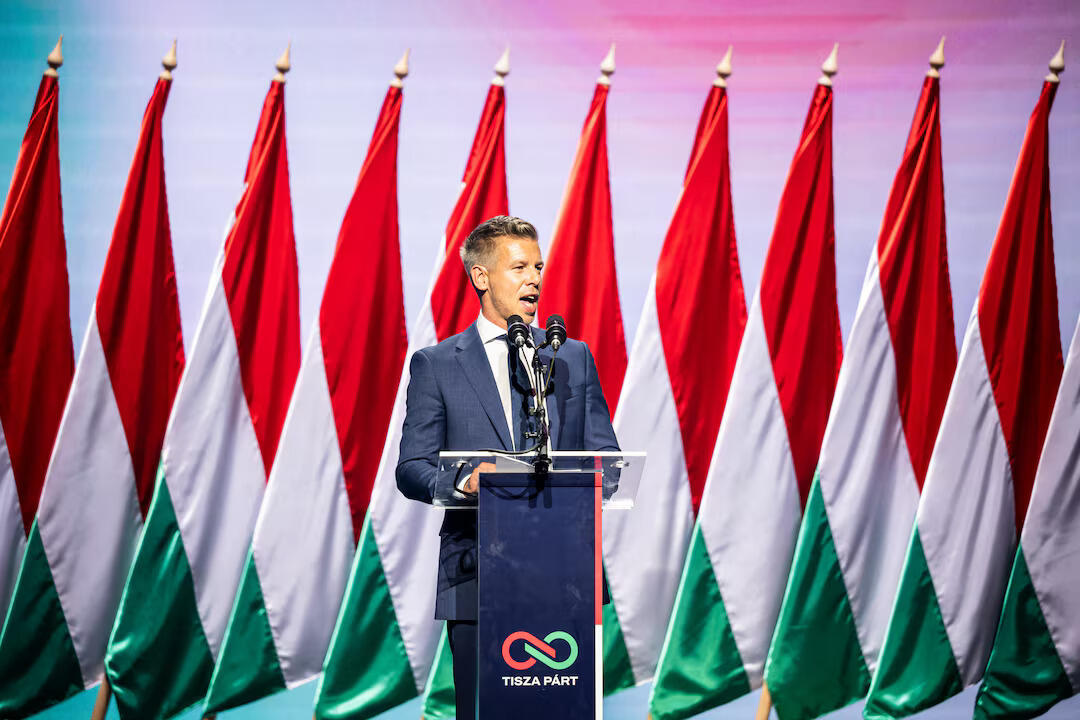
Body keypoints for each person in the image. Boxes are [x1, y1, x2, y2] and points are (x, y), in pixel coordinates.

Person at [396, 215, 620, 717]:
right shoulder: (438, 364)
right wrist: (464, 482)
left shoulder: (570, 357)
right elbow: (411, 468)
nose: (534, 279)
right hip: (478, 572)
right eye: (519, 268)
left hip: (564, 571)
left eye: (538, 267)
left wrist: (593, 480)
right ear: (481, 277)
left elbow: (607, 459)